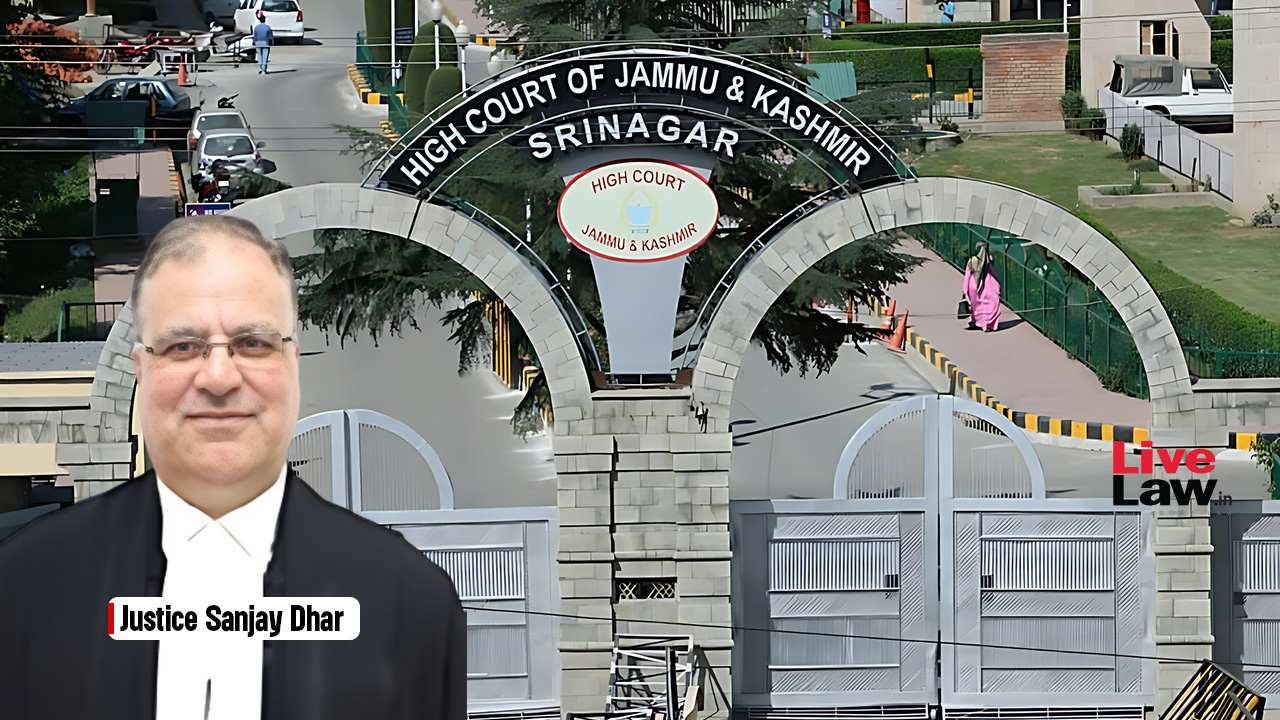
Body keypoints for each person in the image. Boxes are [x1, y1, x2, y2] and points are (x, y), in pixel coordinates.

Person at [0, 215, 467, 720]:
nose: (219, 378)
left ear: (293, 365)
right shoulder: (21, 587)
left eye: (253, 344)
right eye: (182, 346)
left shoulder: (411, 600)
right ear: (141, 369)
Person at [963, 241, 1001, 332]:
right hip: (988, 284)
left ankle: (976, 321)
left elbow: (967, 274)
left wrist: (965, 289)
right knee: (989, 305)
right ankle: (986, 324)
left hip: (974, 284)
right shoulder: (989, 259)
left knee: (976, 305)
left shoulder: (972, 260)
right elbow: (993, 272)